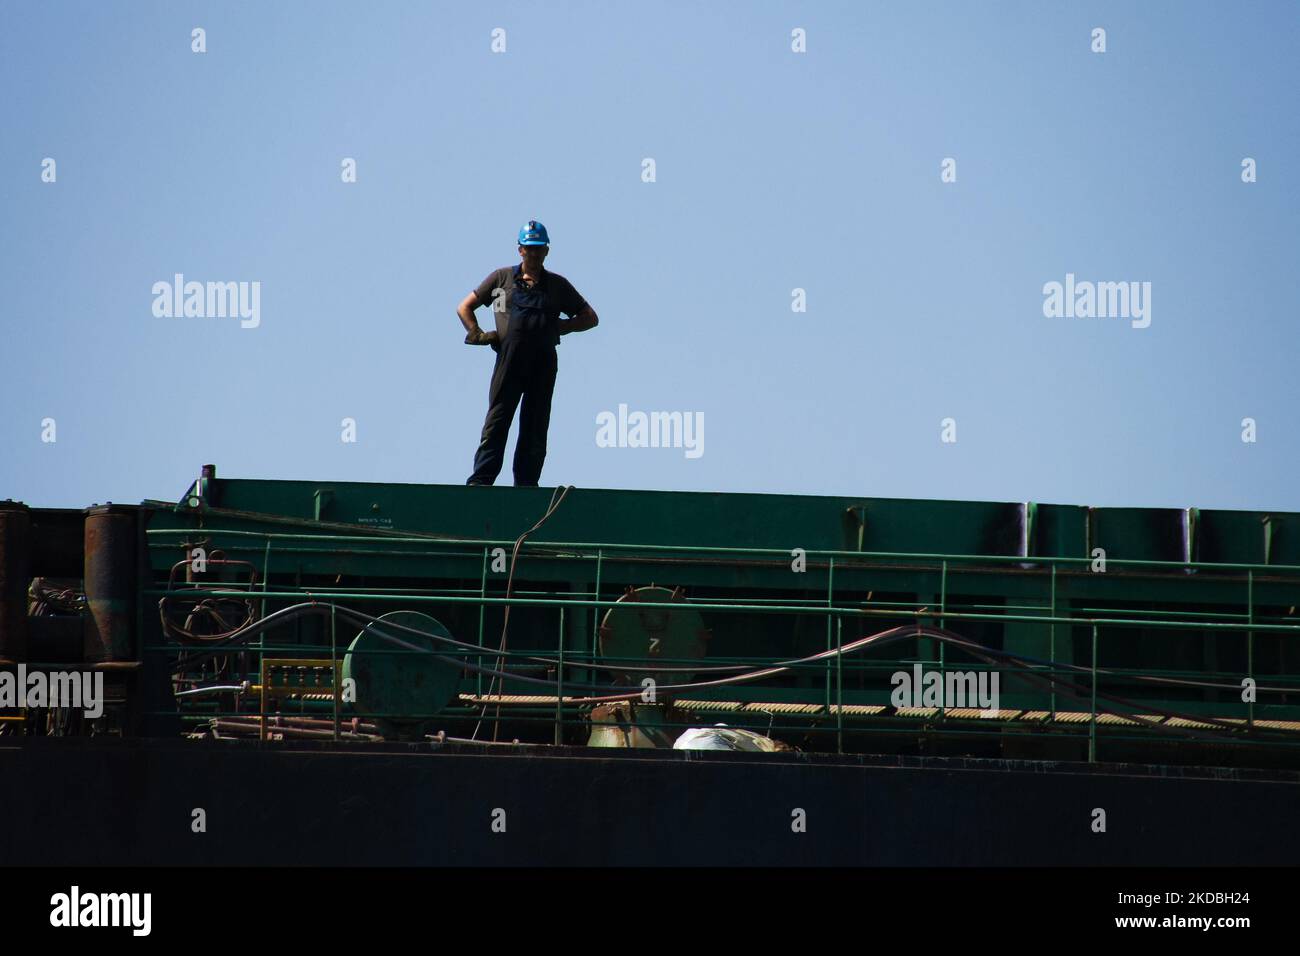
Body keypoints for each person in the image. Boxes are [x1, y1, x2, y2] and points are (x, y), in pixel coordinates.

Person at [457, 220, 599, 486]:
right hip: (509, 363)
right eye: (528, 248)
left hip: (542, 365)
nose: (533, 253)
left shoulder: (557, 286)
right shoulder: (501, 280)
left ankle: (526, 488)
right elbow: (465, 307)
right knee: (497, 422)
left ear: (547, 251)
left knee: (535, 427)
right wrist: (476, 332)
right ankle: (481, 483)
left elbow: (590, 317)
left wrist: (563, 326)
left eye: (538, 248)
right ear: (520, 249)